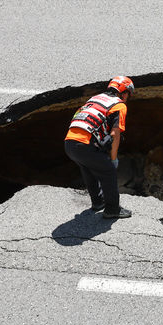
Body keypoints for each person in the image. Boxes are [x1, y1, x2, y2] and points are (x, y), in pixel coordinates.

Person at [64, 76, 134, 218]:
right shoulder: (119, 105)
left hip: (69, 143)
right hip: (85, 145)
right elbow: (115, 134)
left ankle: (98, 202)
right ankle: (113, 210)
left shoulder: (94, 99)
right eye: (128, 94)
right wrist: (113, 159)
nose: (128, 97)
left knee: (87, 167)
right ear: (124, 92)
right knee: (108, 171)